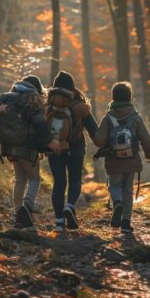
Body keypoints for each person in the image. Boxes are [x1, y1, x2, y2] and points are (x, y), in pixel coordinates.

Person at [94, 81, 150, 234]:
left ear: (113, 97)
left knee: (114, 186)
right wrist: (149, 154)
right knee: (128, 189)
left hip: (113, 160)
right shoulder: (136, 118)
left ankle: (117, 204)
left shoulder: (108, 118)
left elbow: (99, 141)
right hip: (131, 160)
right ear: (129, 97)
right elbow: (146, 139)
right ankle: (126, 223)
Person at [4, 75, 60, 228]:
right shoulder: (32, 98)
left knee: (20, 179)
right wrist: (50, 141)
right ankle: (27, 208)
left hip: (10, 146)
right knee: (35, 179)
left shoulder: (11, 95)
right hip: (27, 147)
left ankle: (18, 213)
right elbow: (39, 126)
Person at [46, 71, 98, 232]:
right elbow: (93, 130)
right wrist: (103, 143)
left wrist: (46, 144)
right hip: (76, 147)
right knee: (75, 180)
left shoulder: (47, 104)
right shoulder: (80, 106)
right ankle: (69, 206)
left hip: (55, 148)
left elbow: (41, 127)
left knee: (59, 183)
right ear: (72, 86)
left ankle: (60, 222)